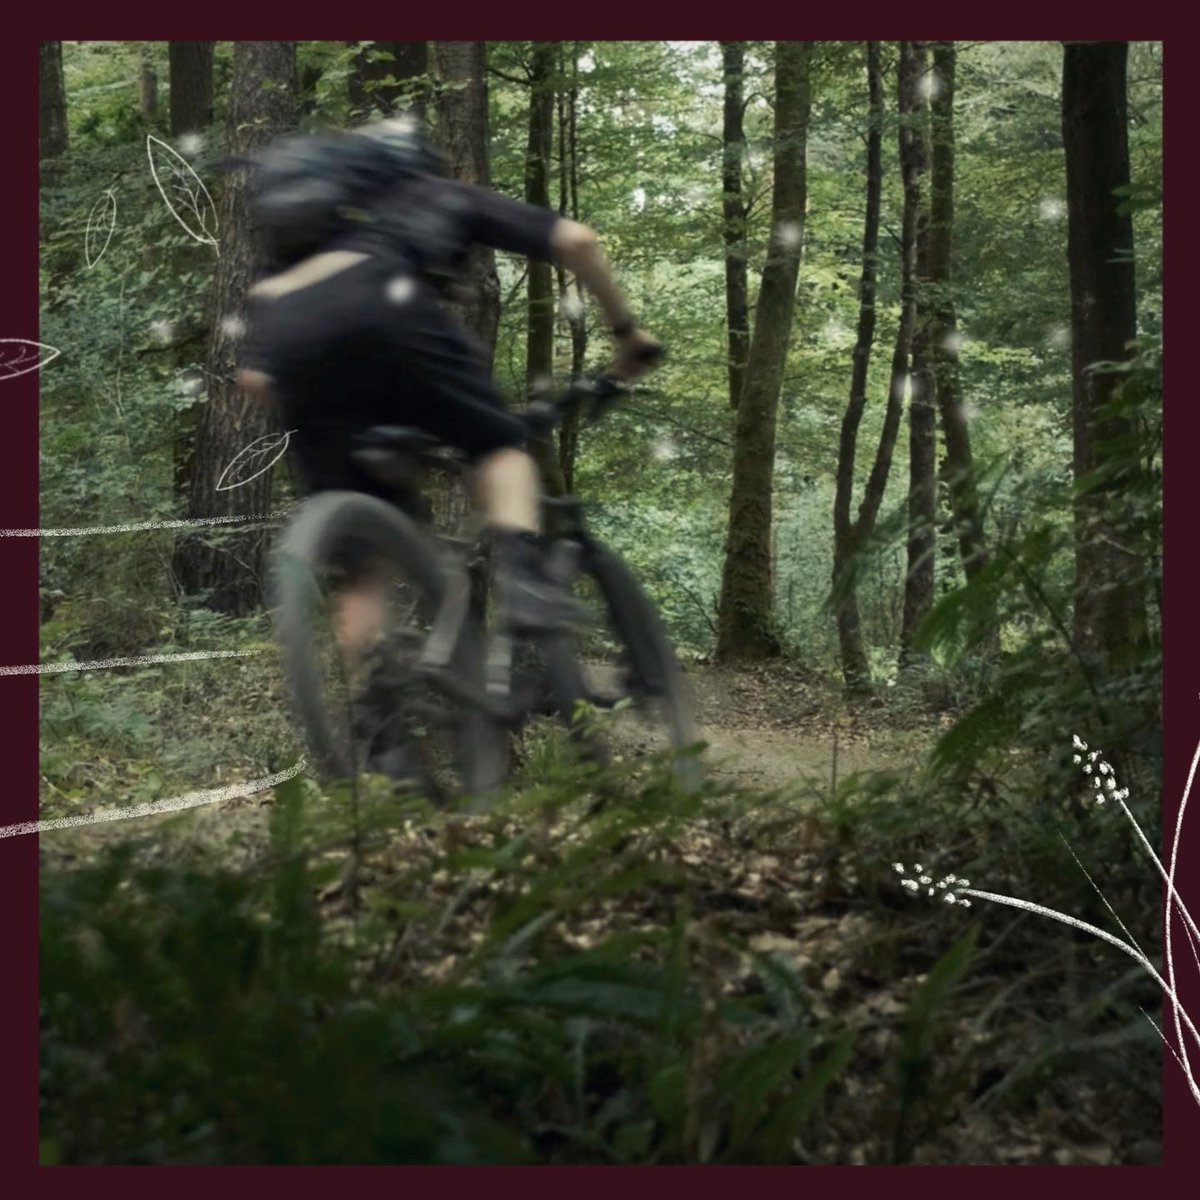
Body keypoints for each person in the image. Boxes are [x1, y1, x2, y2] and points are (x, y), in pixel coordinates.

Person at [235, 116, 661, 667]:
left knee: (360, 577)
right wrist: (627, 333)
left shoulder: (319, 241)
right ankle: (526, 583)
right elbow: (577, 240)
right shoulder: (434, 197)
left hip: (292, 341)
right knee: (499, 447)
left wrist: (339, 423)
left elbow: (256, 380)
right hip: (387, 312)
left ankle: (368, 721)